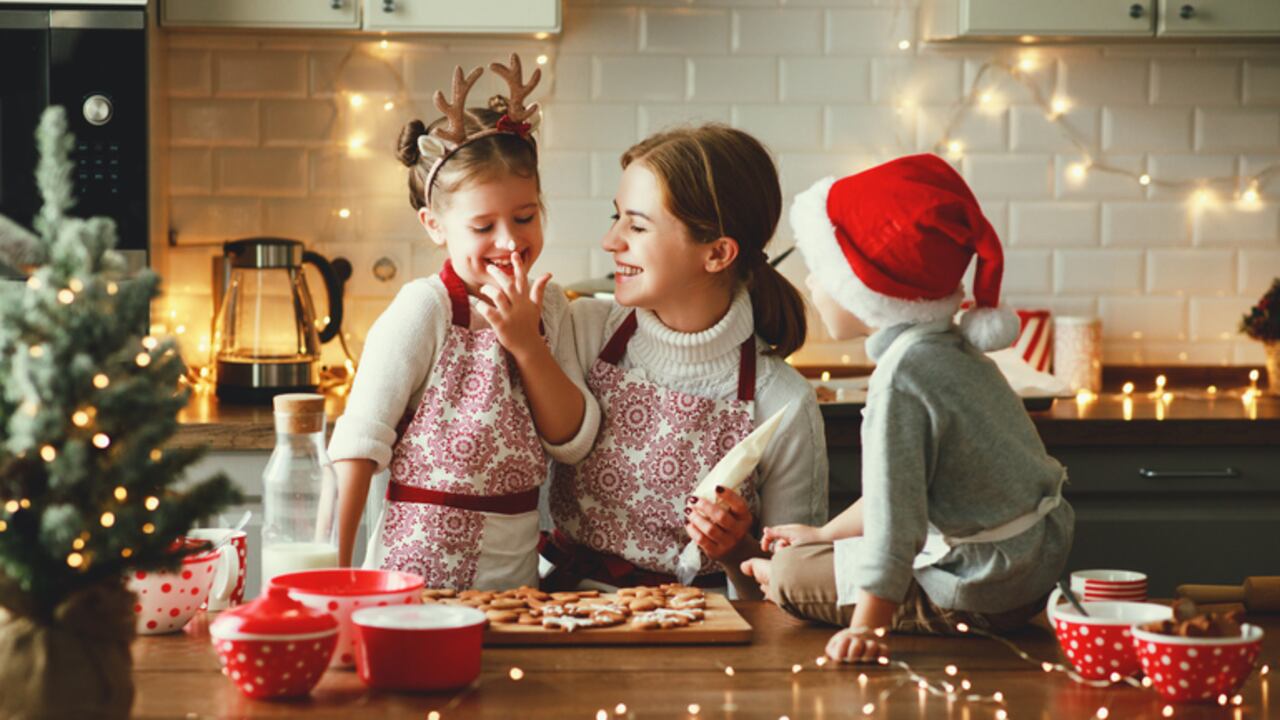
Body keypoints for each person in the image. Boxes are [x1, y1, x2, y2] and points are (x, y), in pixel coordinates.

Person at [742, 153, 1074, 662]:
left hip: (980, 587)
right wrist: (824, 534)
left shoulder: (901, 381)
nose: (810, 284)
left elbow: (898, 523)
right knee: (814, 551)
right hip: (1027, 567)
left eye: (821, 270)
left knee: (791, 572)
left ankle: (790, 582)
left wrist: (868, 628)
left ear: (867, 289)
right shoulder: (951, 349)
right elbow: (898, 491)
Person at [327, 56, 599, 590]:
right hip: (416, 568)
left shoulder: (550, 310)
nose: (509, 240)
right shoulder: (423, 309)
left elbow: (570, 439)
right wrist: (336, 570)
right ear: (435, 225)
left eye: (525, 217)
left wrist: (527, 345)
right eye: (482, 225)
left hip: (513, 573)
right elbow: (360, 441)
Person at [544, 124, 828, 593]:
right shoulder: (583, 331)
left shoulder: (783, 402)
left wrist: (737, 551)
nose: (611, 241)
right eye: (616, 218)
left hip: (700, 635)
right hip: (561, 610)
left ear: (716, 253)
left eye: (636, 226)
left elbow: (792, 596)